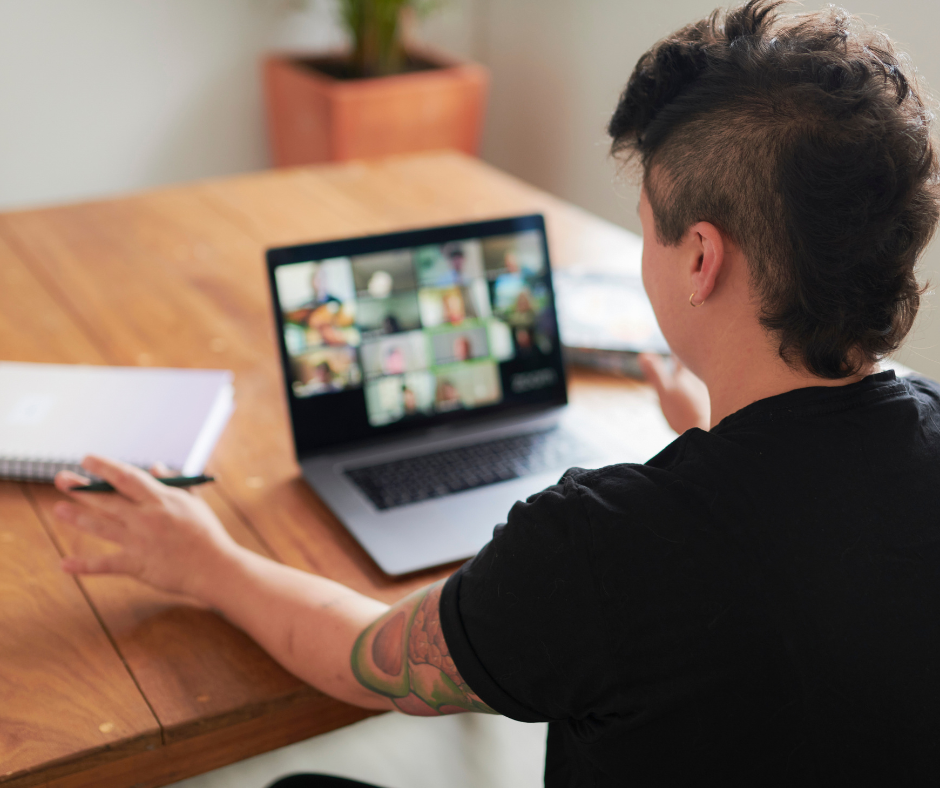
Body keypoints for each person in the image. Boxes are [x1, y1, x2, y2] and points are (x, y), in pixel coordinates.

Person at [52, 1, 940, 785]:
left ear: (701, 258)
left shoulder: (605, 547)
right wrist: (716, 425)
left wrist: (201, 558)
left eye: (650, 232)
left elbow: (365, 657)